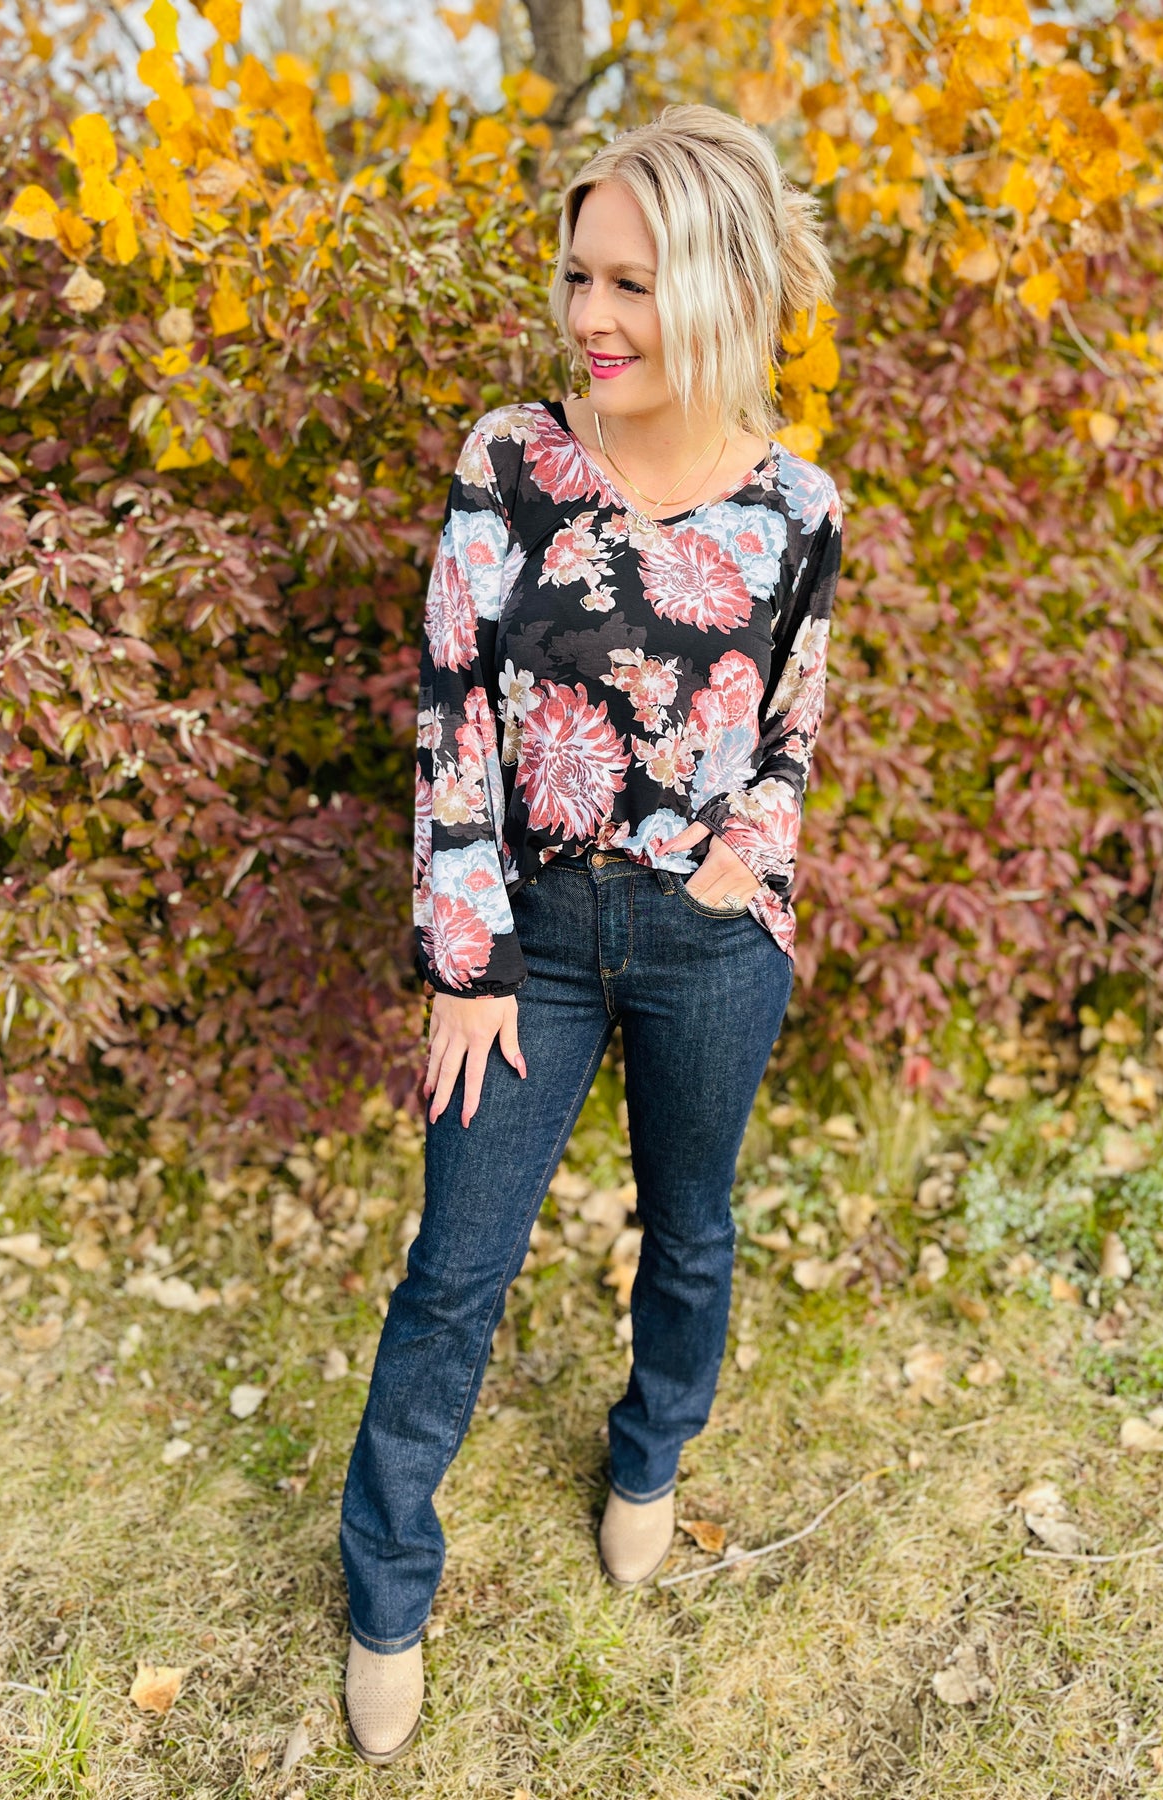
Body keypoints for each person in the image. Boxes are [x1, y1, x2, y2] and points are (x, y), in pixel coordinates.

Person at [338, 101, 843, 1765]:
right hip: (530, 939)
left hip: (710, 942)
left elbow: (790, 725)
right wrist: (465, 960)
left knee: (689, 1233)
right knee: (454, 1269)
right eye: (578, 276)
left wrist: (742, 870)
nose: (592, 318)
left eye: (633, 282)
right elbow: (453, 714)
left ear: (722, 289)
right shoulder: (510, 462)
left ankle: (648, 1457)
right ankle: (386, 1589)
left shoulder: (797, 510)